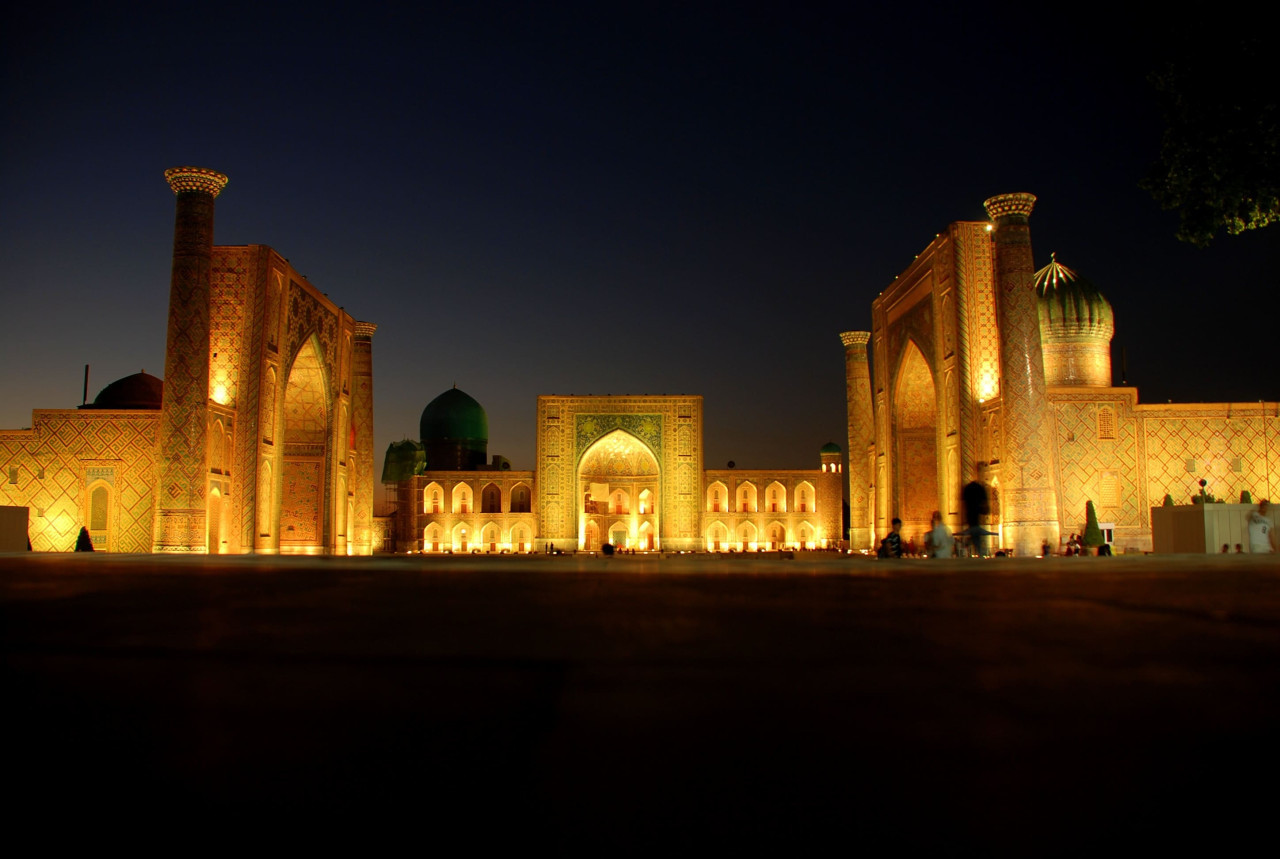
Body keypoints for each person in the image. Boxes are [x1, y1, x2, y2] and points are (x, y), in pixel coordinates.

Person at [961, 463, 991, 556]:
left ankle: (972, 550)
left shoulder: (974, 488)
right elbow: (984, 506)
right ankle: (979, 553)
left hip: (974, 521)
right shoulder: (977, 488)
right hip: (975, 521)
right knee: (976, 535)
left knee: (975, 536)